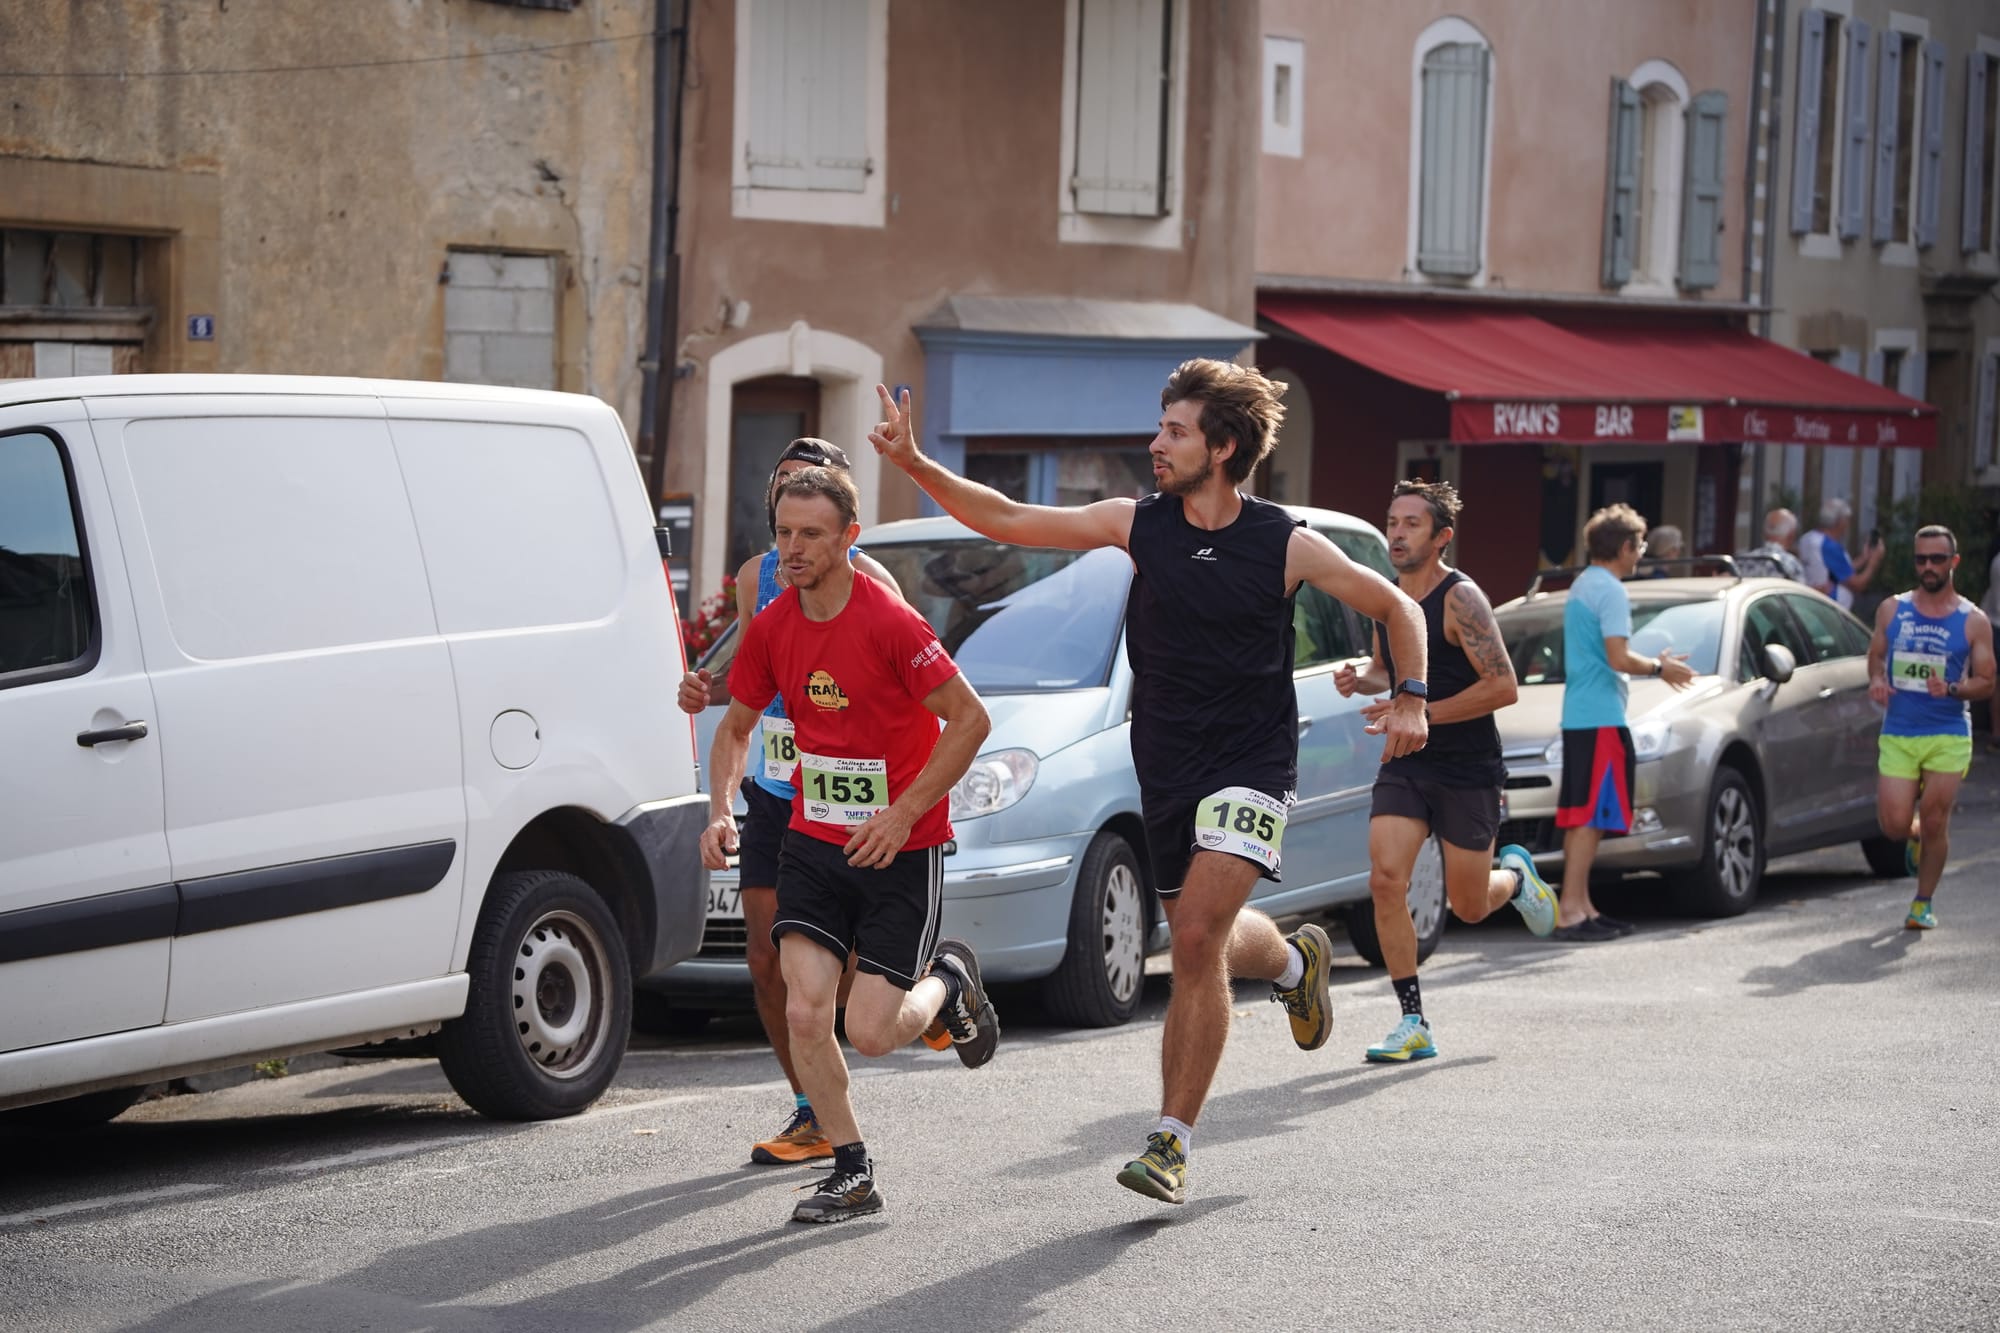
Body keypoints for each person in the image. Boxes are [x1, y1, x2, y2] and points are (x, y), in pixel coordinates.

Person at [868, 361, 1432, 1205]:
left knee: (1197, 937)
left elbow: (1402, 607)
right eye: (1160, 427)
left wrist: (1414, 696)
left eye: (1174, 431)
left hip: (1253, 763)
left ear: (1223, 445)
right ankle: (1292, 964)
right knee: (1203, 931)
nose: (1154, 443)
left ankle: (1170, 1142)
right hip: (1166, 764)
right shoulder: (1139, 525)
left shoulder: (1284, 542)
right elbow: (1013, 519)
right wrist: (914, 463)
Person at [701, 466, 997, 1224]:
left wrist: (901, 814)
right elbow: (736, 726)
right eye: (783, 533)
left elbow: (969, 721)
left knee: (868, 1031)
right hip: (813, 841)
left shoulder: (891, 623)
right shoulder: (772, 627)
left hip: (903, 847)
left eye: (810, 535)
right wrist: (721, 807)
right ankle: (852, 1168)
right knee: (806, 1011)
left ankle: (950, 981)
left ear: (848, 540)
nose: (792, 549)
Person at [676, 439, 904, 1168]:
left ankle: (925, 992)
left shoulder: (875, 585)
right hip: (779, 786)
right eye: (782, 504)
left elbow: (909, 694)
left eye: (808, 505)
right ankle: (812, 1109)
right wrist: (702, 684)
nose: (791, 523)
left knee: (859, 971)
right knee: (768, 955)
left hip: (856, 788)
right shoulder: (757, 577)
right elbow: (748, 665)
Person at [1335, 480, 1558, 1063]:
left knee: (1469, 905)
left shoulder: (1463, 600)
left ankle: (1515, 878)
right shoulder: (1388, 598)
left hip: (1467, 769)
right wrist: (1360, 676)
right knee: (1386, 881)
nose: (1397, 533)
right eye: (1392, 521)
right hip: (1408, 762)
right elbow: (1389, 667)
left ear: (1442, 537)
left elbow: (1503, 686)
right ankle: (1413, 1019)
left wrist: (1420, 711)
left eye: (1411, 523)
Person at [1512, 505, 1697, 942]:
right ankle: (1572, 910)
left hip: (1583, 716)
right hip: (1599, 718)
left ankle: (1583, 906)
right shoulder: (1610, 590)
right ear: (1626, 546)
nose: (1642, 553)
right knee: (1587, 817)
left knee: (1586, 816)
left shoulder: (1583, 586)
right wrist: (1659, 668)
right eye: (1640, 545)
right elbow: (1618, 656)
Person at [1867, 525, 1996, 930]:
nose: (1928, 566)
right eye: (1921, 559)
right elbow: (1876, 655)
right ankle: (1915, 830)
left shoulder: (1973, 620)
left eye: (1937, 559)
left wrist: (1953, 688)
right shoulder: (1892, 609)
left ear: (1953, 563)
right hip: (1900, 730)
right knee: (1893, 826)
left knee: (1938, 819)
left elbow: (1988, 681)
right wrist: (1875, 679)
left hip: (1948, 733)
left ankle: (1922, 903)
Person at [1798, 499, 1883, 609]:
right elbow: (1858, 585)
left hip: (1812, 602)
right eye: (1847, 520)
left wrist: (1864, 558)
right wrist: (1873, 563)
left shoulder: (1807, 538)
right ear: (1840, 522)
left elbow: (1838, 571)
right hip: (1830, 606)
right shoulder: (1828, 546)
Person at [1750, 507, 1806, 582]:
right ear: (1791, 535)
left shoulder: (1742, 561)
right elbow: (1800, 592)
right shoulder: (1792, 565)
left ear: (1764, 533)